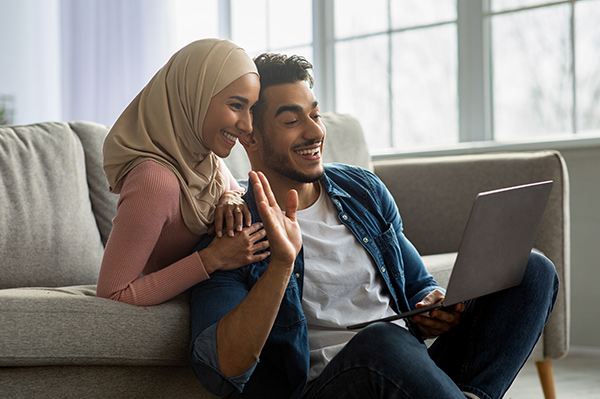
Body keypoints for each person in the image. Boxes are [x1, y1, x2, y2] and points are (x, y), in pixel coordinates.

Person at [188, 53, 559, 399]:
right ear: (250, 135)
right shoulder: (233, 229)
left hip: (409, 366)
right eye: (291, 121)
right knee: (381, 341)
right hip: (331, 384)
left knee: (531, 268)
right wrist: (282, 265)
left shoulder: (361, 189)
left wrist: (431, 306)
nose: (314, 132)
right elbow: (219, 368)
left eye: (315, 115)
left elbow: (418, 284)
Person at [97, 39, 270, 306]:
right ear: (193, 96)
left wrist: (231, 198)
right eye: (236, 106)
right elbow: (113, 294)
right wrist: (213, 259)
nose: (247, 125)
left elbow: (232, 188)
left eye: (251, 109)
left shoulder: (204, 160)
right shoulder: (154, 182)